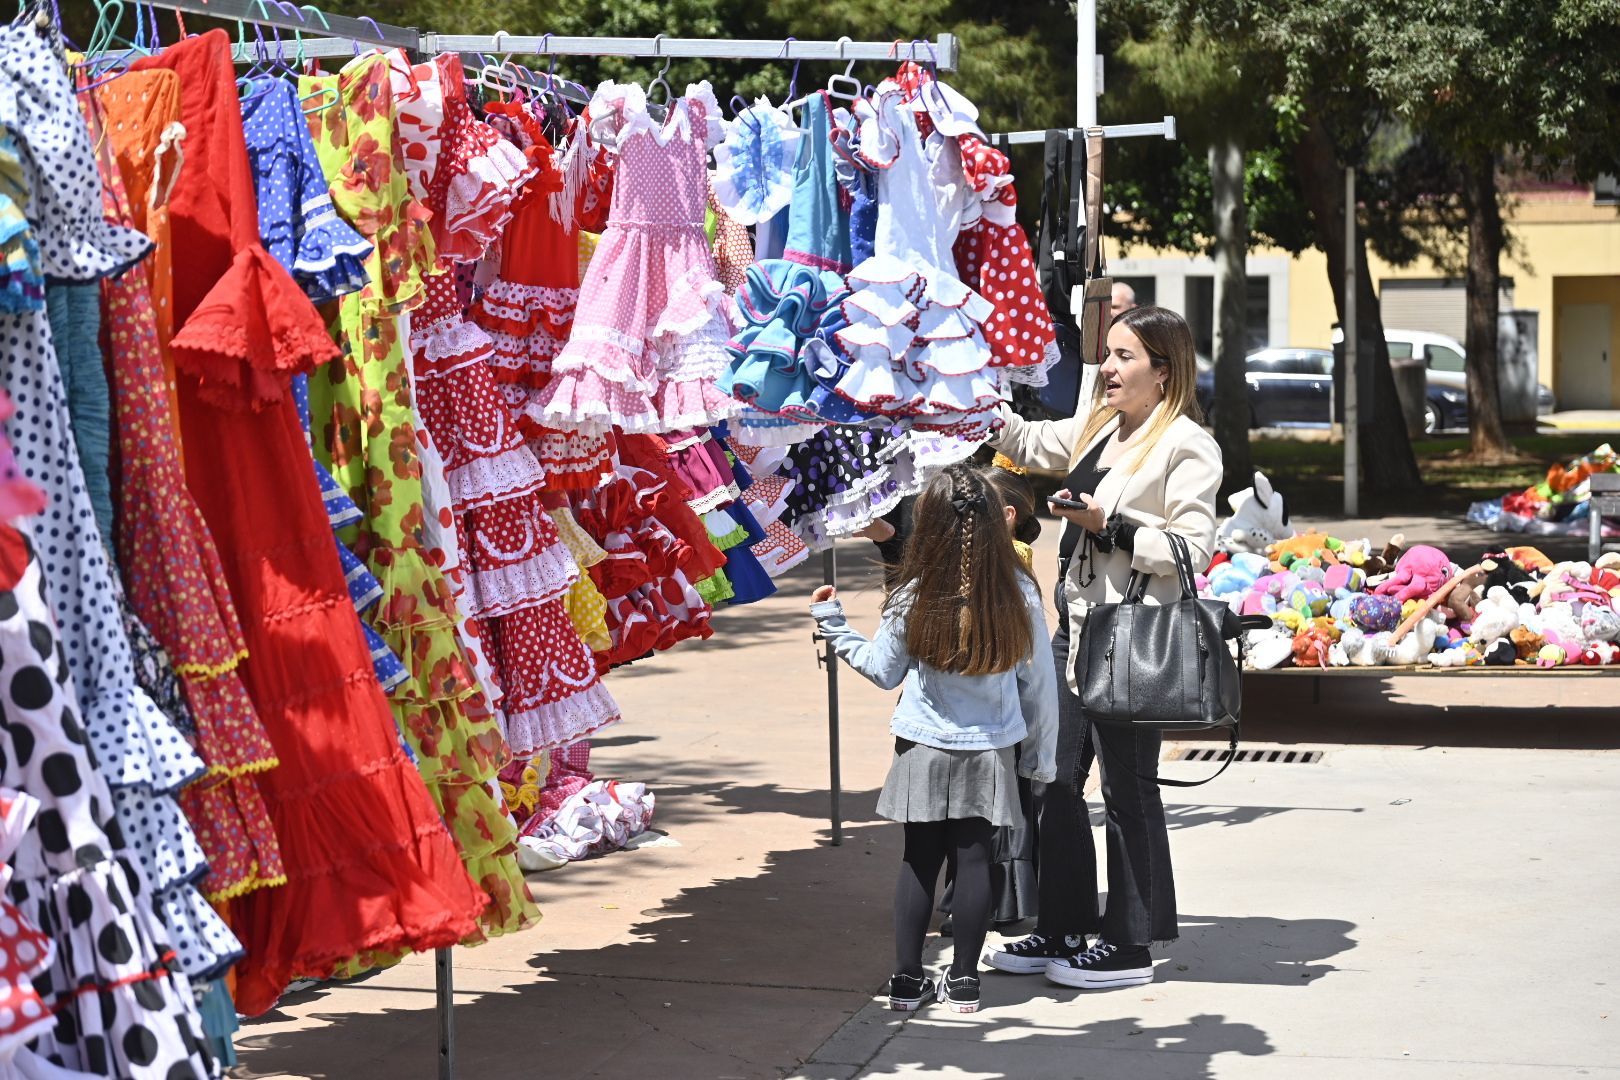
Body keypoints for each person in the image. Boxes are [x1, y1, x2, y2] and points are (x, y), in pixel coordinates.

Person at [982, 305, 1220, 990]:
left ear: (1164, 371)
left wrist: (1107, 524)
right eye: (1108, 354)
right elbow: (1027, 441)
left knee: (1127, 791)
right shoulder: (1099, 426)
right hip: (1074, 632)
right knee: (1052, 780)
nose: (1107, 368)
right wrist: (968, 398)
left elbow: (1191, 548)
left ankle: (1130, 944)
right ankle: (1061, 926)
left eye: (1124, 357)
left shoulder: (1186, 445)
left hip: (1132, 637)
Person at [810, 464, 1057, 1015]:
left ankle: (904, 982)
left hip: (920, 743)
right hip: (991, 746)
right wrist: (1041, 759)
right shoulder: (1019, 590)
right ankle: (965, 983)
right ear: (998, 521)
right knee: (974, 863)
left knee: (917, 861)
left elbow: (882, 670)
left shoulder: (914, 591)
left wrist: (832, 621)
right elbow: (1038, 684)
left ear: (930, 524)